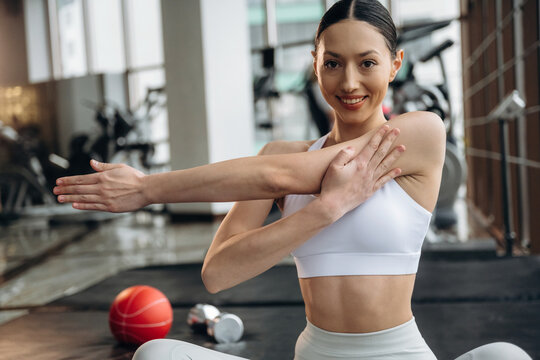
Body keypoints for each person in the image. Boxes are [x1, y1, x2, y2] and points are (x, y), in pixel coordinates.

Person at [54, 1, 532, 359]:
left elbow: (283, 176)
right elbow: (217, 273)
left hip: (399, 352)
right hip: (315, 352)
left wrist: (146, 189)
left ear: (395, 64)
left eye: (367, 63)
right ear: (315, 62)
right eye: (332, 63)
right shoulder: (282, 155)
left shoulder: (416, 136)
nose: (348, 83)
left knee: (506, 357)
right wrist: (324, 211)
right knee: (156, 354)